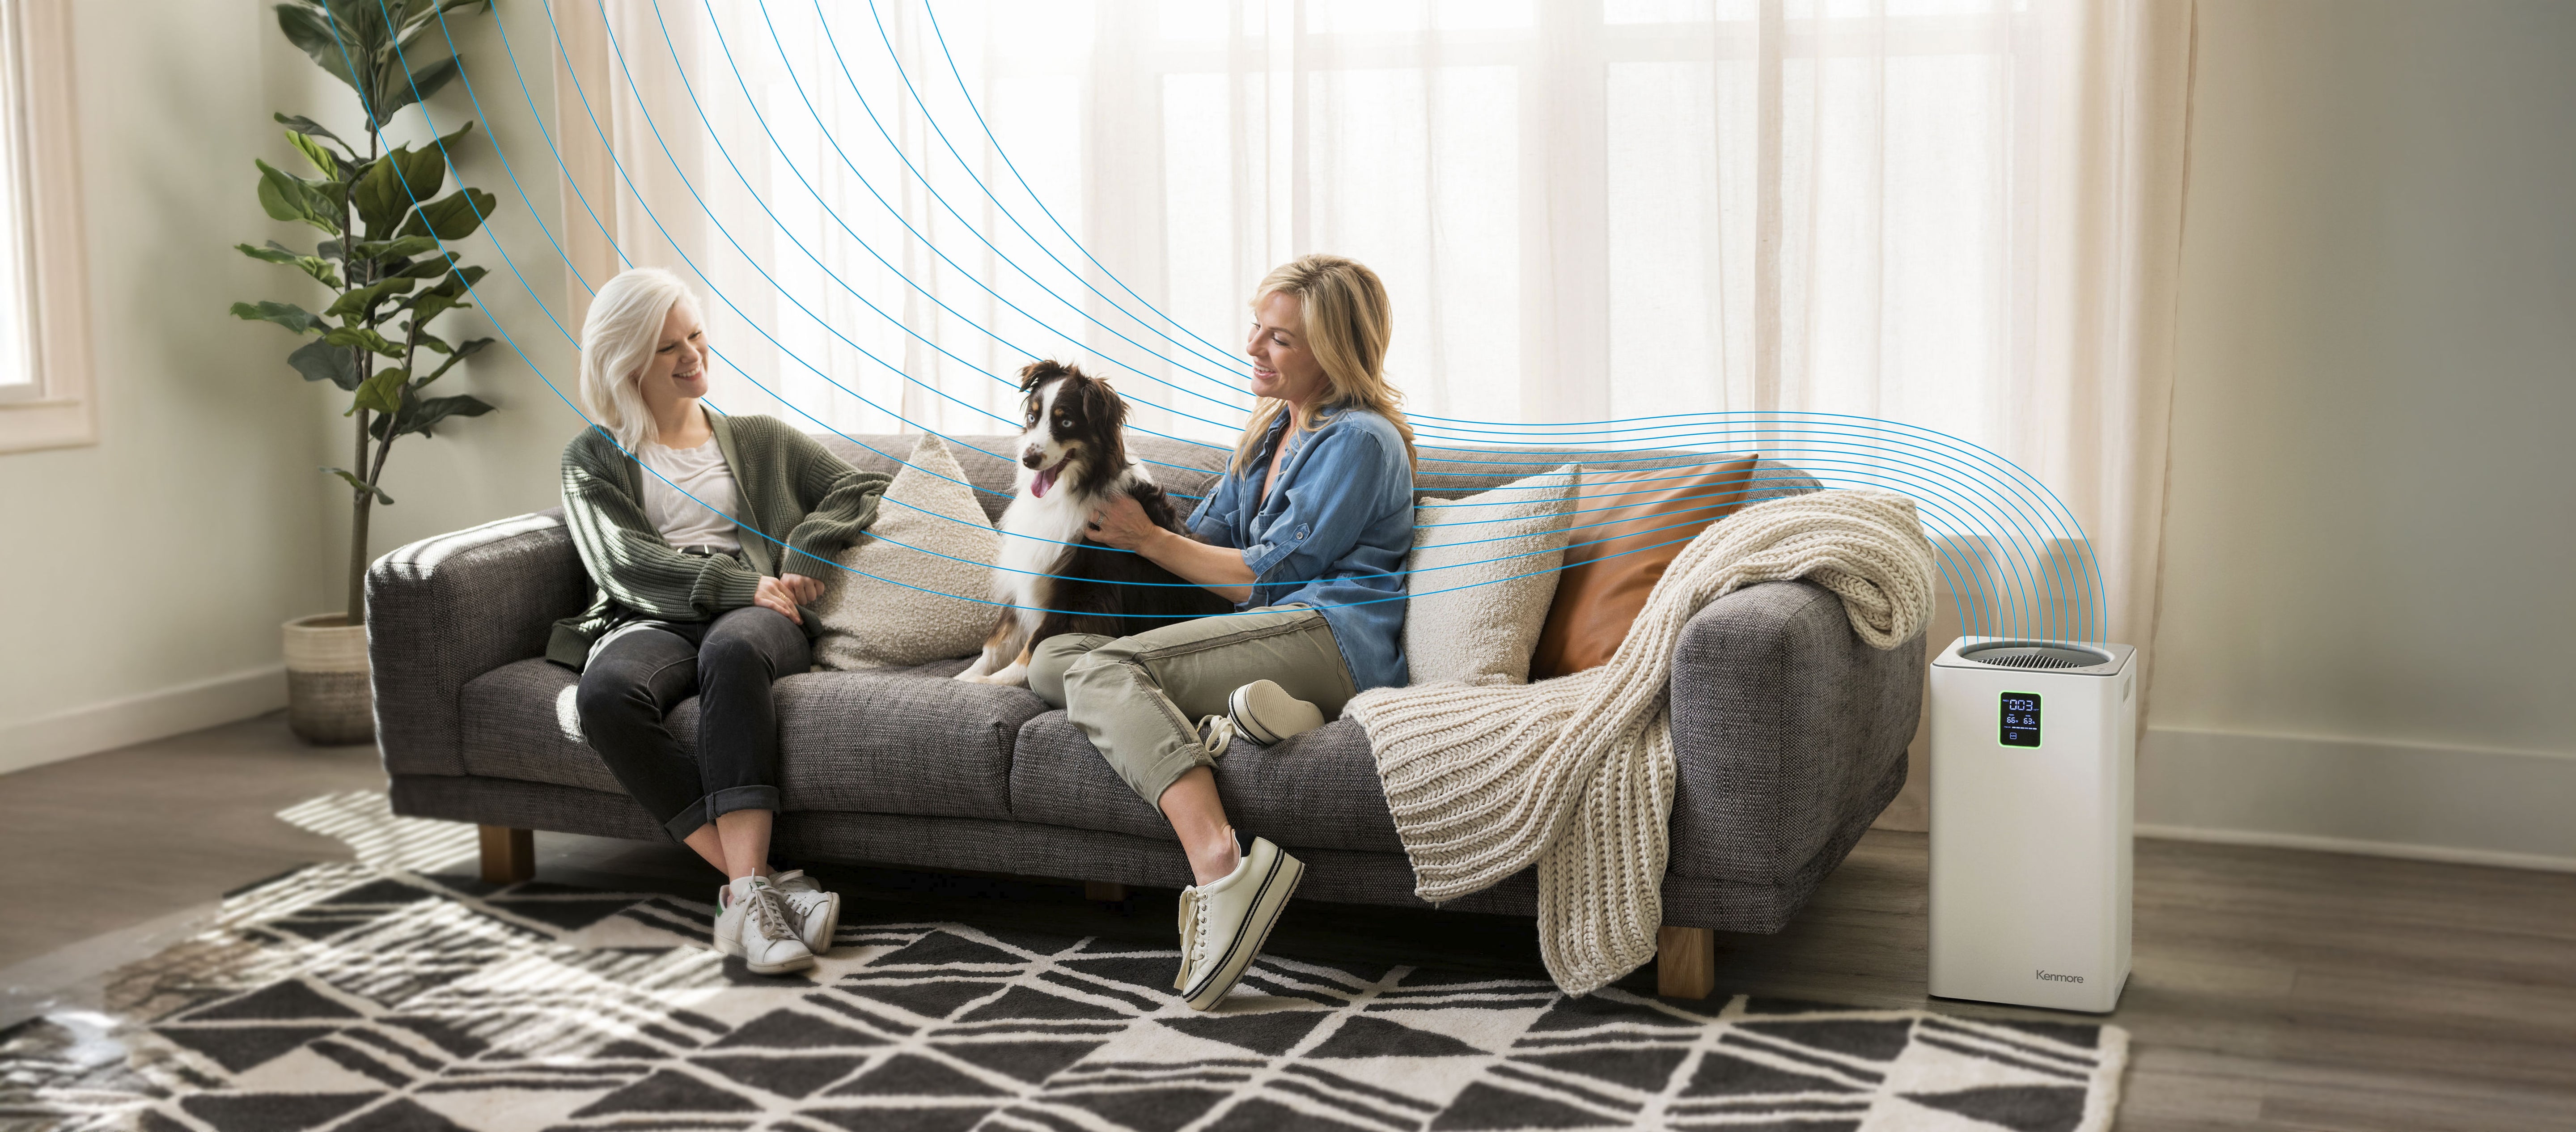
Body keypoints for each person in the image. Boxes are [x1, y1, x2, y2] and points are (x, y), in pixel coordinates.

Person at [1032, 254, 1418, 1010]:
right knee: (1052, 660)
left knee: (1101, 675)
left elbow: (1262, 577)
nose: (1252, 348)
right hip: (1261, 635)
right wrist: (1122, 506)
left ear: (1333, 351)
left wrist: (1149, 540)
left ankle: (1222, 866)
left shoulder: (1361, 442)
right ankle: (1243, 716)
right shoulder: (1271, 432)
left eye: (1279, 339)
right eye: (1258, 328)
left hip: (1325, 635)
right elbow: (1205, 540)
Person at [547, 267, 890, 975]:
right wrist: (735, 582)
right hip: (653, 614)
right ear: (625, 364)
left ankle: (749, 897)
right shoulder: (592, 458)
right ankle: (755, 892)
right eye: (668, 347)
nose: (691, 355)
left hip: (757, 617)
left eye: (695, 336)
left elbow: (860, 486)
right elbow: (622, 562)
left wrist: (805, 550)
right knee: (605, 696)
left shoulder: (759, 437)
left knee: (733, 658)